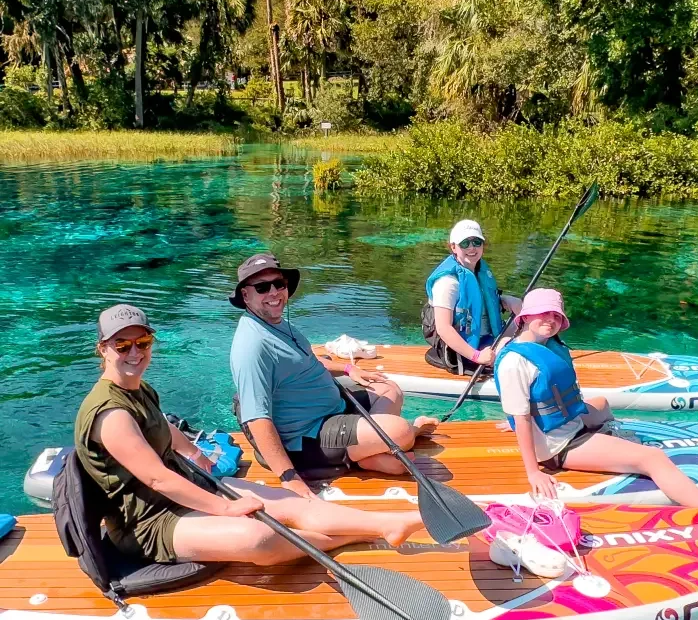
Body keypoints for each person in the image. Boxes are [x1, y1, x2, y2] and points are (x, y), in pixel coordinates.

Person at [74, 303, 422, 571]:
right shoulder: (111, 414)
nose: (135, 352)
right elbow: (156, 477)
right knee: (259, 539)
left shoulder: (139, 389)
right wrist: (226, 507)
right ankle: (361, 534)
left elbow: (163, 430)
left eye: (142, 341)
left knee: (293, 505)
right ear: (102, 348)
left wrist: (197, 455)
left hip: (184, 493)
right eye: (122, 345)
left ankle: (387, 523)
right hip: (150, 523)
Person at [229, 254, 436, 490]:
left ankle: (368, 453)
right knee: (400, 432)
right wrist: (291, 480)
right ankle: (396, 439)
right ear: (246, 295)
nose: (274, 292)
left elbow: (307, 361)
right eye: (262, 287)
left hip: (333, 410)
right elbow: (256, 417)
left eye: (279, 284)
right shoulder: (251, 346)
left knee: (388, 389)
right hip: (310, 436)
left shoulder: (277, 323)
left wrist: (349, 368)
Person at [493, 288, 698, 508]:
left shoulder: (543, 343)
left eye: (557, 315)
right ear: (526, 316)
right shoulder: (515, 362)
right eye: (544, 313)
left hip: (570, 421)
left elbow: (526, 405)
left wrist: (518, 419)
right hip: (559, 445)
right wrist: (533, 472)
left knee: (603, 404)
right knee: (653, 458)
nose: (551, 319)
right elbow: (522, 418)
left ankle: (607, 436)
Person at [424, 219, 521, 373]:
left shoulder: (480, 271)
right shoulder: (447, 283)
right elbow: (443, 328)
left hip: (490, 338)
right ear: (453, 247)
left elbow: (481, 304)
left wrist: (505, 301)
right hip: (466, 350)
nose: (472, 248)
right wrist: (477, 356)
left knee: (530, 317)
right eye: (465, 243)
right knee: (520, 352)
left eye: (477, 242)